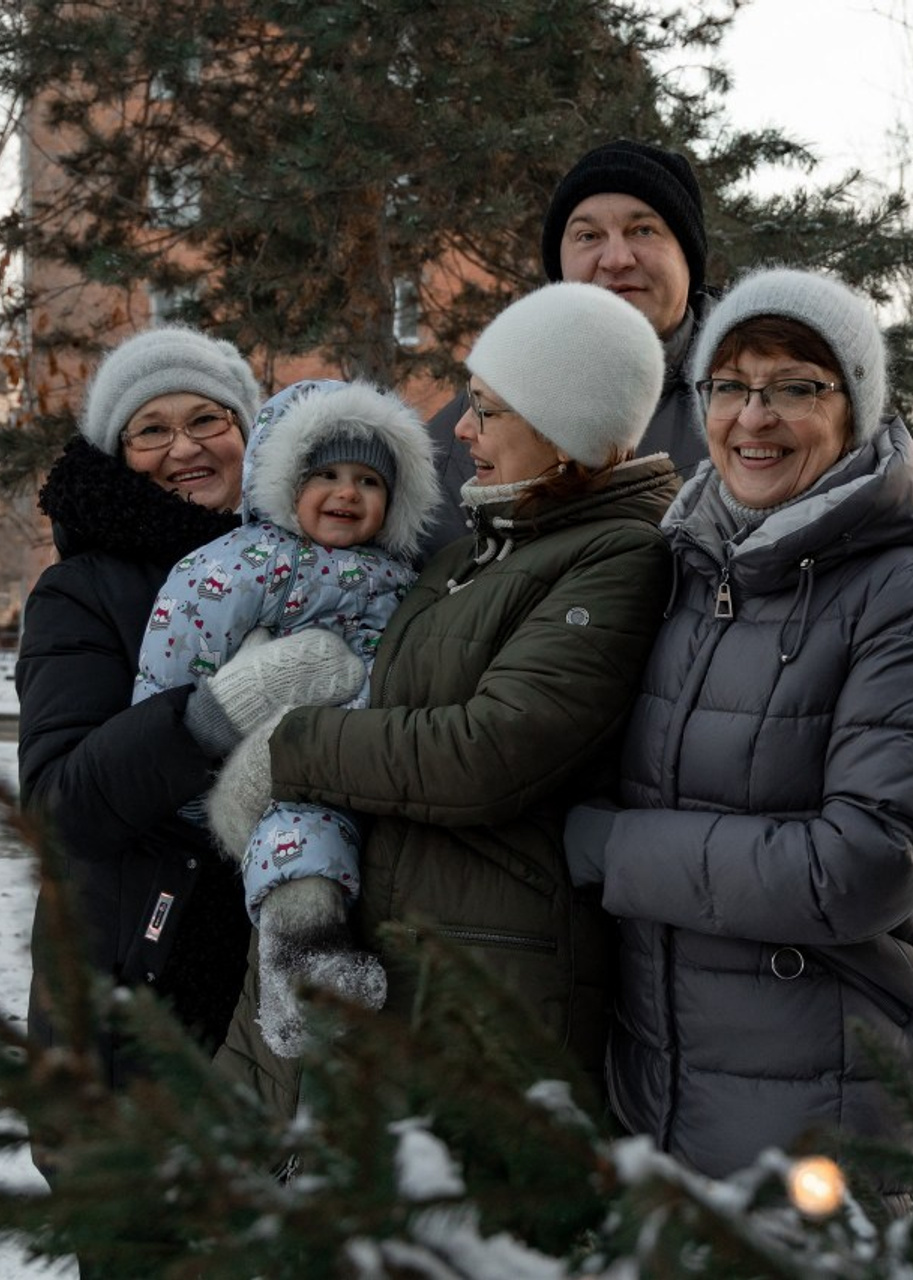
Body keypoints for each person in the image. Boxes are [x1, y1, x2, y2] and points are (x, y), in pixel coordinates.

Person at [563, 268, 913, 1210]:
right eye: (730, 385)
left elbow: (868, 861)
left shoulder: (912, 588)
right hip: (659, 1087)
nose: (754, 417)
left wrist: (609, 848)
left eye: (797, 386)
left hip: (823, 1106)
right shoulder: (678, 559)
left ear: (857, 409)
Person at [208, 282, 683, 1118]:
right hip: (393, 959)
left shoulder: (616, 558)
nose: (461, 431)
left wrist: (293, 748)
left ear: (564, 431)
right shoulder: (473, 552)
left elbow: (488, 751)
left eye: (486, 410)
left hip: (481, 989)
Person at [425, 138, 913, 614]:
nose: (615, 259)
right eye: (587, 235)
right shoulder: (489, 408)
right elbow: (377, 528)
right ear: (559, 260)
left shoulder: (771, 384)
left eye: (644, 230)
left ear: (687, 256)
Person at [16, 327, 365, 1119]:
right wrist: (211, 715)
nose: (185, 448)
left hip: (290, 982)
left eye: (208, 420)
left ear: (248, 433)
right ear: (119, 450)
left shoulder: (320, 560)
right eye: (151, 429)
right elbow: (59, 804)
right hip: (141, 996)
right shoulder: (82, 591)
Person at [133, 378, 443, 1057]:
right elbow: (178, 655)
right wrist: (182, 764)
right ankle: (299, 977)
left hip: (369, 758)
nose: (347, 493)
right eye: (325, 474)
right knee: (300, 843)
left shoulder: (404, 573)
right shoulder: (242, 563)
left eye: (369, 480)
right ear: (281, 479)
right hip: (276, 765)